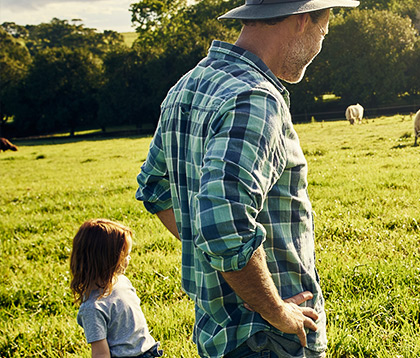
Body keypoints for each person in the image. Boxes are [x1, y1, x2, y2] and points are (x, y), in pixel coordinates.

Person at [135, 0, 358, 356]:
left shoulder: (189, 85)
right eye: (323, 32)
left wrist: (213, 255)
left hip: (218, 330)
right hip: (267, 339)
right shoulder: (255, 98)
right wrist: (276, 309)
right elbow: (224, 227)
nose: (319, 45)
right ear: (302, 21)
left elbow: (154, 188)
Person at [70, 219, 163, 358]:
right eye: (125, 255)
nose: (128, 259)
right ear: (107, 259)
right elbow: (101, 354)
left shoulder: (121, 282)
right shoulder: (93, 308)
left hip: (149, 351)